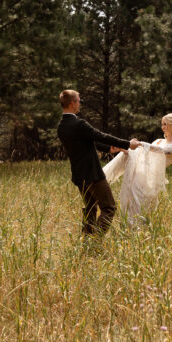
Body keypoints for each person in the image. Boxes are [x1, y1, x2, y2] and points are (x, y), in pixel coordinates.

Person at [56, 89, 140, 235]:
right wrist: (128, 143)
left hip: (79, 175)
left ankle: (87, 240)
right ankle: (95, 240)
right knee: (109, 208)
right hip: (92, 174)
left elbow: (87, 141)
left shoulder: (61, 127)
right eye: (79, 101)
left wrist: (110, 148)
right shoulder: (79, 124)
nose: (80, 104)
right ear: (72, 103)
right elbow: (100, 136)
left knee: (90, 208)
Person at [103, 113, 172, 223]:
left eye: (165, 124)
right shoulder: (159, 140)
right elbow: (141, 154)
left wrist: (139, 143)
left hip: (151, 180)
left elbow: (160, 151)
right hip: (139, 173)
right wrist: (124, 148)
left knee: (142, 208)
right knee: (131, 204)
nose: (163, 127)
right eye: (162, 124)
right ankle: (103, 177)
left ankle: (139, 233)